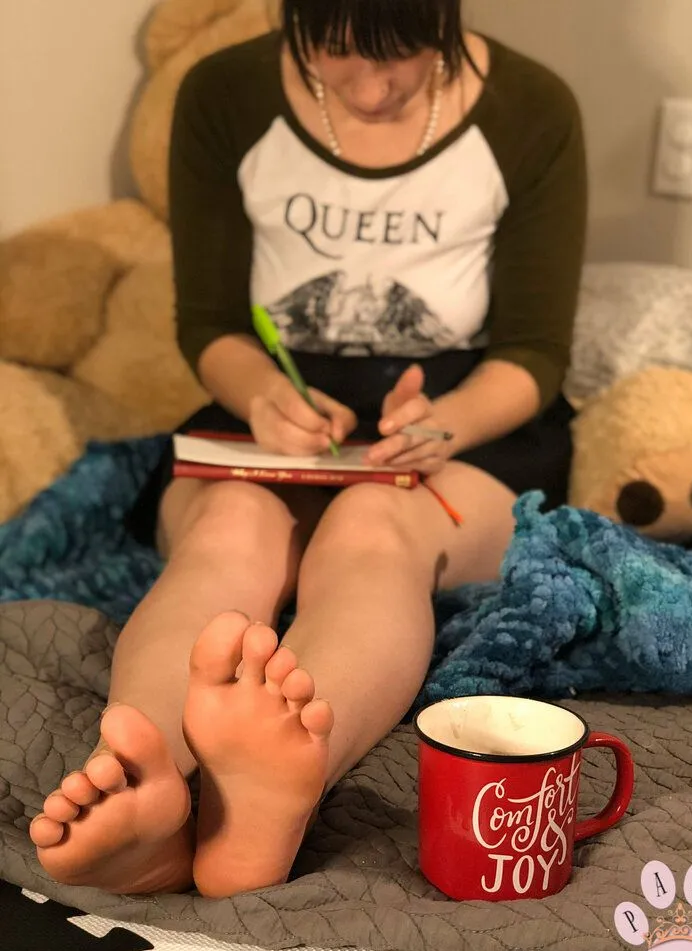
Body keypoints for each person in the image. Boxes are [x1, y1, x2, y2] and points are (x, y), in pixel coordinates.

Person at [28, 0, 587, 899]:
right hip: (265, 409)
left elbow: (535, 355)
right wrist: (261, 394)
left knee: (372, 530)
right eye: (335, 52)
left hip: (465, 426)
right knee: (230, 530)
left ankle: (271, 793)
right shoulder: (223, 93)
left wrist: (444, 421)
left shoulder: (533, 108)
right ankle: (145, 786)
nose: (370, 89)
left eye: (403, 54)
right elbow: (210, 323)